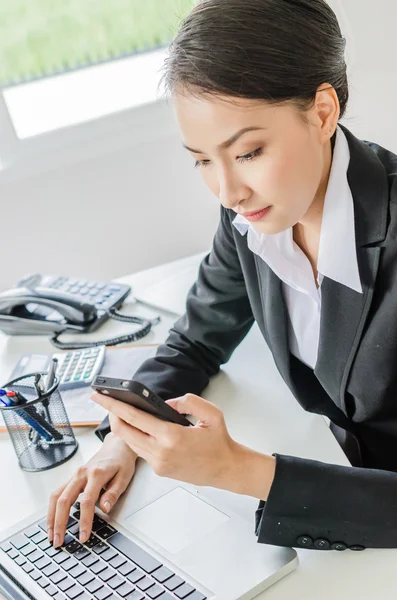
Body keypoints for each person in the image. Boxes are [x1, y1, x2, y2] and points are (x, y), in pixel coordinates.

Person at [48, 0, 397, 553]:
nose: (228, 191)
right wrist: (124, 437)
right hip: (333, 494)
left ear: (323, 112)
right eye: (203, 161)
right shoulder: (251, 217)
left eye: (249, 152)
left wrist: (239, 470)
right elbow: (195, 340)